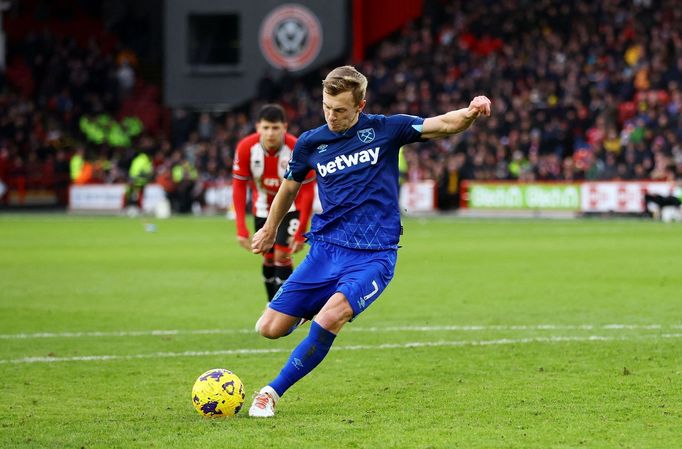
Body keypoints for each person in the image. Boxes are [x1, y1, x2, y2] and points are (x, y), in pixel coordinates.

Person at [247, 65, 491, 417]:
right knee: (268, 329)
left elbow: (442, 124)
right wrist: (270, 228)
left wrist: (470, 112)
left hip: (374, 255)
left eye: (341, 110)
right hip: (326, 250)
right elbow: (290, 186)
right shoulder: (310, 142)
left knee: (331, 317)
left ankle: (270, 393)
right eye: (326, 107)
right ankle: (315, 307)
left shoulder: (386, 129)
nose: (332, 116)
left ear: (360, 106)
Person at [232, 104, 315, 301]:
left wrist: (302, 228)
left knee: (282, 256)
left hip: (291, 209)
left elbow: (308, 191)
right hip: (262, 209)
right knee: (268, 258)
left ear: (284, 127)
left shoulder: (297, 148)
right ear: (258, 127)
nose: (270, 133)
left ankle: (285, 309)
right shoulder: (246, 148)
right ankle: (272, 305)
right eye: (266, 128)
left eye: (275, 128)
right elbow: (239, 188)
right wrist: (241, 228)